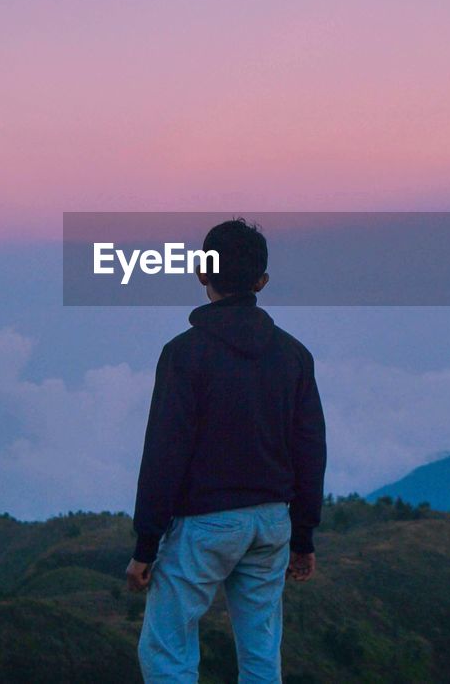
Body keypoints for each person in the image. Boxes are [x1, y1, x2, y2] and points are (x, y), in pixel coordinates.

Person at [127, 218, 328, 683]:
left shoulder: (184, 354)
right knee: (261, 655)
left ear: (201, 271)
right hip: (272, 522)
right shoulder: (294, 355)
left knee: (168, 651)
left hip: (205, 523)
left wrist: (145, 544)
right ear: (261, 282)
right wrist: (303, 535)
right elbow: (310, 448)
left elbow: (164, 452)